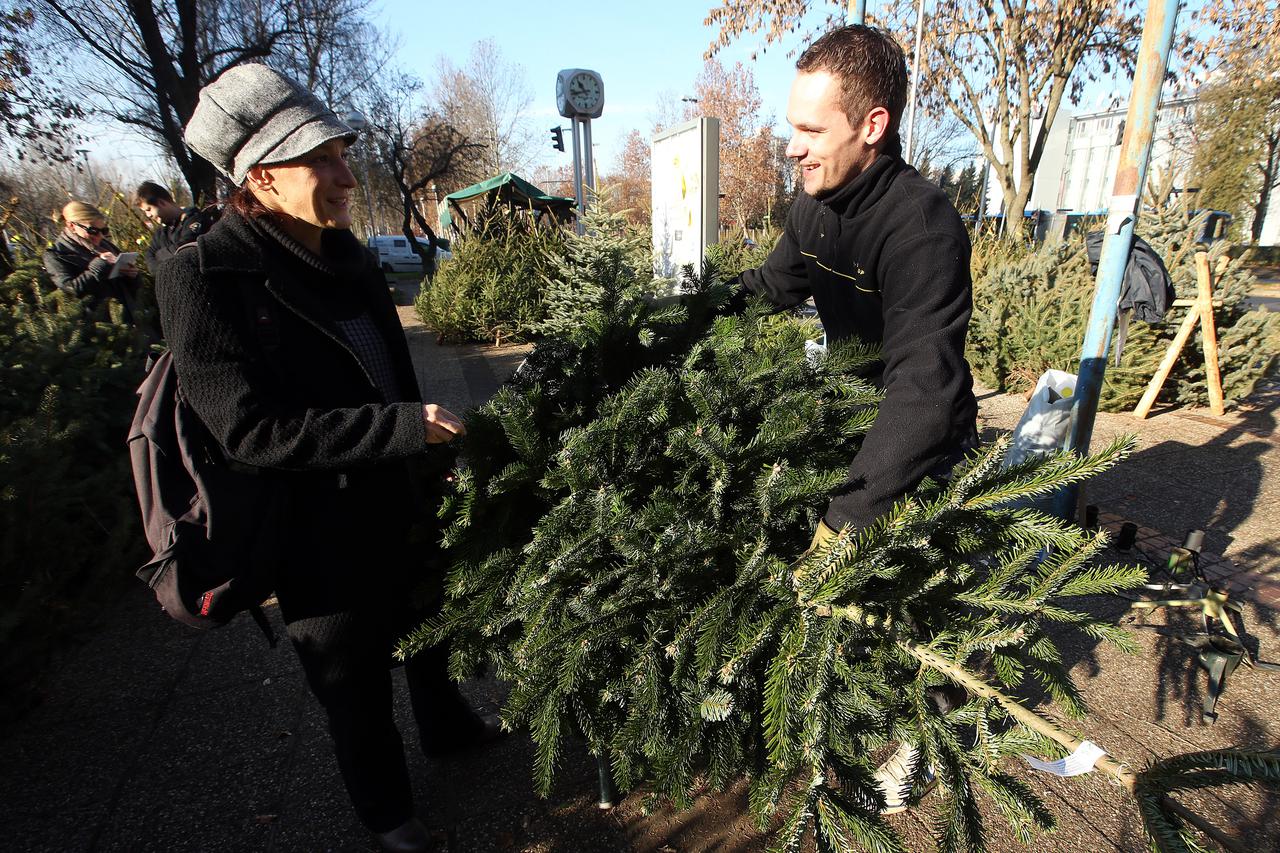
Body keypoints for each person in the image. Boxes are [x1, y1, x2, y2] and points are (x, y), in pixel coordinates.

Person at [164, 64, 498, 852]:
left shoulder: (347, 254)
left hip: (397, 494)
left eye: (344, 152)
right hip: (311, 529)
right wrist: (401, 430)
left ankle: (447, 725)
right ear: (262, 177)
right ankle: (389, 817)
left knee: (428, 623)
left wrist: (425, 457)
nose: (348, 175)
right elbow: (248, 432)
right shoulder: (204, 275)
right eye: (324, 160)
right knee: (351, 680)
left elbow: (393, 372)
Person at [737, 25, 978, 812]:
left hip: (924, 444)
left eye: (811, 131)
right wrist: (666, 323)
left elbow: (922, 384)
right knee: (855, 614)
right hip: (853, 425)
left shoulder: (922, 225)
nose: (793, 149)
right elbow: (765, 291)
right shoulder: (812, 208)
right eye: (791, 128)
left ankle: (934, 743)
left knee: (924, 612)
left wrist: (844, 521)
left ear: (871, 125)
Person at [43, 200, 141, 322]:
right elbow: (70, 290)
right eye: (93, 231)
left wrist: (132, 276)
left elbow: (128, 287)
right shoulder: (57, 255)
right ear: (72, 226)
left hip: (129, 317)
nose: (100, 236)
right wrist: (98, 265)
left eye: (104, 231)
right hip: (97, 326)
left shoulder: (105, 245)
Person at [134, 180, 220, 271]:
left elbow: (185, 250)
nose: (148, 215)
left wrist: (158, 255)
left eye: (149, 209)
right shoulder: (161, 232)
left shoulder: (195, 219)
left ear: (161, 202)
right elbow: (149, 259)